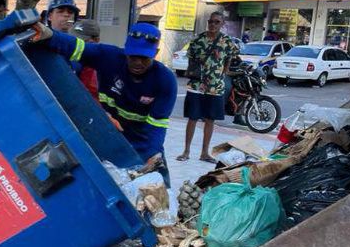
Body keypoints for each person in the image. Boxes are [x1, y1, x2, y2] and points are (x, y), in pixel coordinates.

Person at [38, 22, 177, 186]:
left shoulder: (165, 81)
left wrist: (150, 155)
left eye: (144, 58)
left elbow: (157, 126)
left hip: (141, 139)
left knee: (157, 188)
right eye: (133, 56)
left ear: (156, 53)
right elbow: (76, 46)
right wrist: (50, 35)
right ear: (125, 50)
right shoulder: (109, 57)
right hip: (107, 130)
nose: (137, 62)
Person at [178, 11, 240, 164]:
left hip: (215, 86)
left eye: (217, 22)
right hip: (196, 85)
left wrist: (224, 71)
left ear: (222, 24)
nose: (213, 24)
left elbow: (231, 56)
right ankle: (186, 151)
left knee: (210, 119)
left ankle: (204, 153)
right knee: (192, 118)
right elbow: (191, 58)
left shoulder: (227, 41)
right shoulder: (198, 40)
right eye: (210, 21)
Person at [71, 19, 101, 102]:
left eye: (81, 41)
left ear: (96, 40)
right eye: (73, 40)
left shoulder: (97, 66)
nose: (76, 45)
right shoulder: (74, 59)